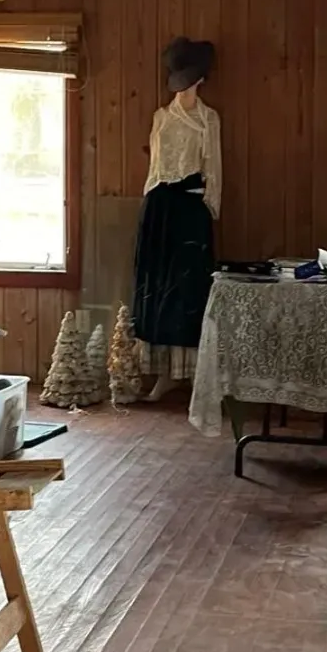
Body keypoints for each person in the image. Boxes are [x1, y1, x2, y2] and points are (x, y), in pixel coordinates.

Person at [131, 37, 221, 401]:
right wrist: (151, 210)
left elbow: (213, 167)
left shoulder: (208, 119)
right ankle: (161, 372)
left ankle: (187, 372)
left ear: (201, 80)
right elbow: (155, 169)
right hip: (159, 208)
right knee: (155, 284)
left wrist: (210, 207)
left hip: (190, 208)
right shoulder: (161, 117)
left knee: (186, 289)